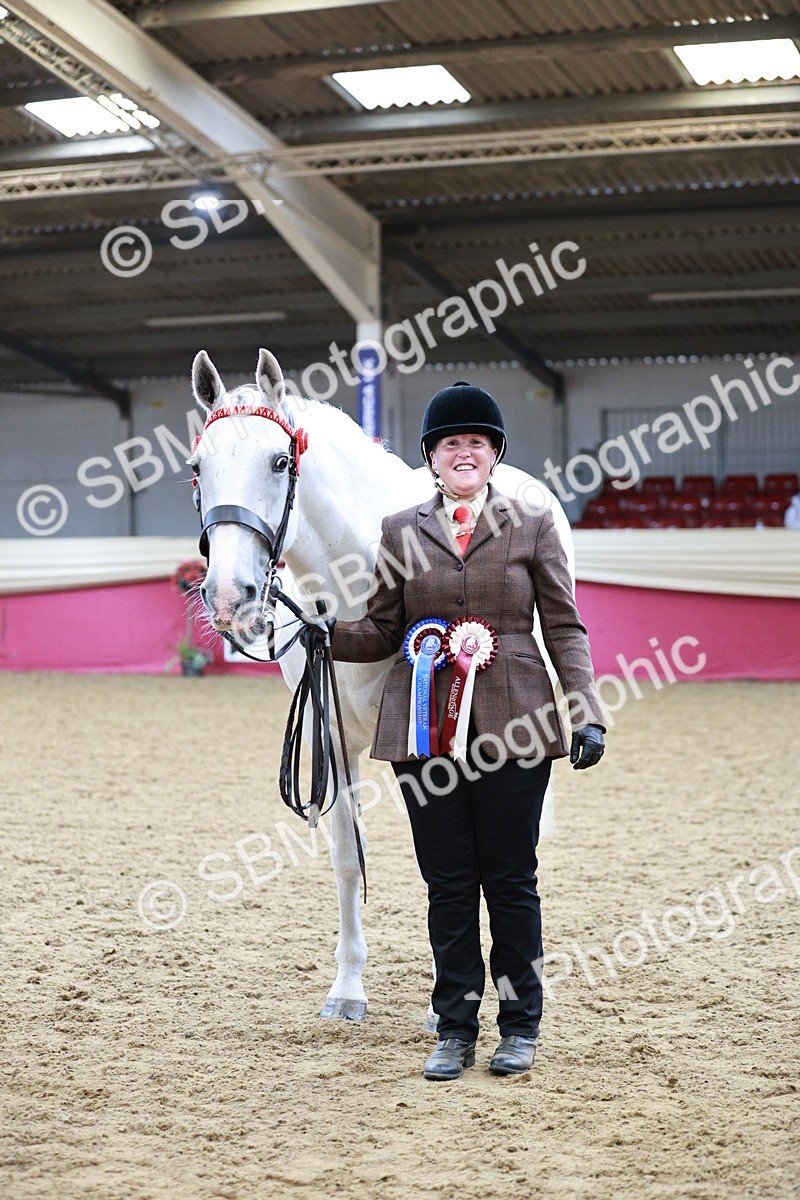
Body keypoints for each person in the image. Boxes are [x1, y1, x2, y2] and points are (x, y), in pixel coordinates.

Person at [328, 381, 606, 1080]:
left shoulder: (533, 524)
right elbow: (384, 630)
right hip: (424, 728)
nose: (464, 452)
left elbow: (565, 628)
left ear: (494, 454)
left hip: (516, 719)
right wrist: (320, 633)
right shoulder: (398, 531)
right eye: (450, 442)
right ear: (430, 457)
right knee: (448, 884)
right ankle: (454, 1028)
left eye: (476, 442)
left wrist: (587, 711)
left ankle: (520, 1025)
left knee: (512, 880)